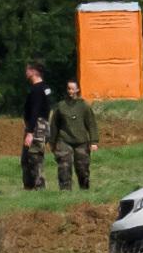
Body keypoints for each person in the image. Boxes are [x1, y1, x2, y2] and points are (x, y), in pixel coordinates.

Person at [48, 77, 101, 191]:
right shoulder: (61, 106)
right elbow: (54, 125)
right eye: (68, 89)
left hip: (81, 142)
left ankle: (84, 190)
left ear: (77, 90)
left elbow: (91, 124)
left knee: (82, 169)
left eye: (73, 89)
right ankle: (65, 192)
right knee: (64, 167)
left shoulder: (84, 106)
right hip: (64, 141)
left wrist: (94, 141)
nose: (70, 92)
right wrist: (52, 142)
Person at [18, 61, 55, 191]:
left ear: (34, 71)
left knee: (34, 157)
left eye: (27, 69)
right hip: (41, 125)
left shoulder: (37, 90)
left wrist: (30, 132)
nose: (26, 72)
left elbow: (35, 111)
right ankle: (28, 187)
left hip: (37, 127)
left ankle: (39, 187)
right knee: (26, 158)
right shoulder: (45, 88)